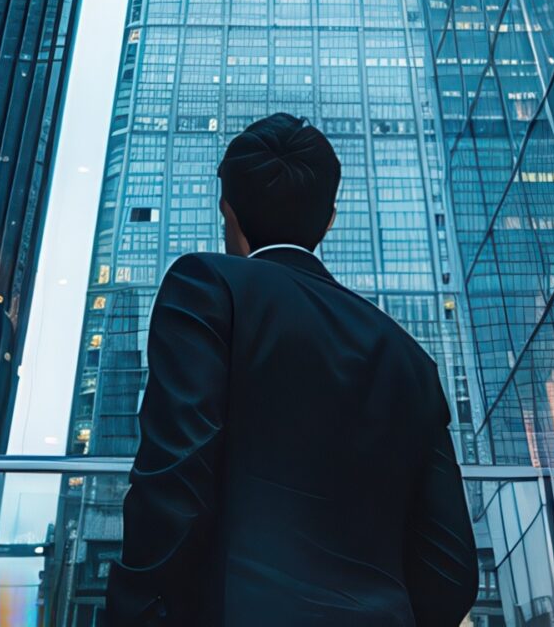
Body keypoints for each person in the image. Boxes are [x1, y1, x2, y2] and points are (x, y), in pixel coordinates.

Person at [104, 113, 477, 626]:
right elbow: (452, 568)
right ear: (328, 221)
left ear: (227, 212)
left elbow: (173, 481)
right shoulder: (410, 358)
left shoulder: (208, 286)